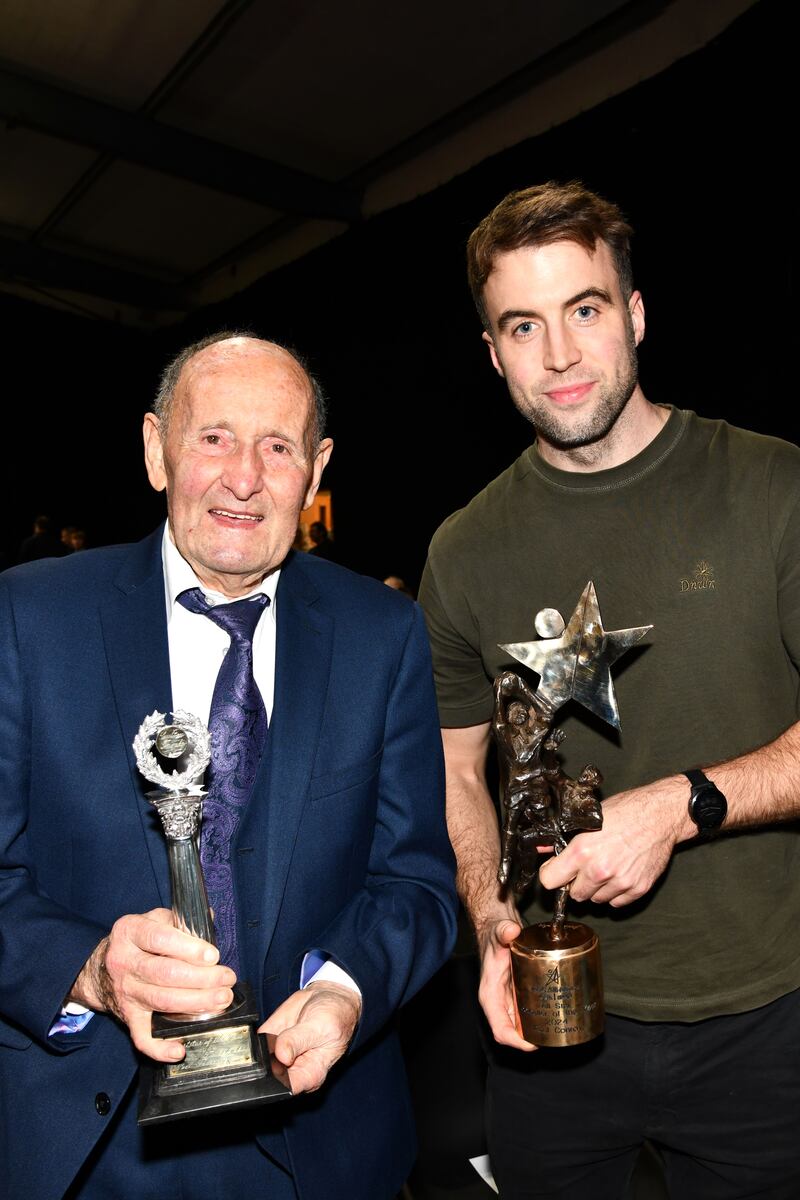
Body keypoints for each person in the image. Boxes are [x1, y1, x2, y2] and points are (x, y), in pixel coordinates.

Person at [0, 332, 457, 1200]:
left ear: (315, 470)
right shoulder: (28, 619)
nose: (244, 476)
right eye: (213, 437)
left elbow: (418, 886)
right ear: (154, 449)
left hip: (317, 1141)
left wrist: (348, 993)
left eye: (277, 446)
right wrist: (89, 968)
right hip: (89, 1143)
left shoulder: (383, 635)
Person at [418, 181, 800, 1199]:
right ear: (490, 352)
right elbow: (455, 773)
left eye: (583, 310)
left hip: (768, 1018)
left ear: (632, 314)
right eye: (522, 325)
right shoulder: (461, 551)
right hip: (551, 1033)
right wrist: (493, 925)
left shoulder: (771, 488)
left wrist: (678, 806)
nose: (557, 355)